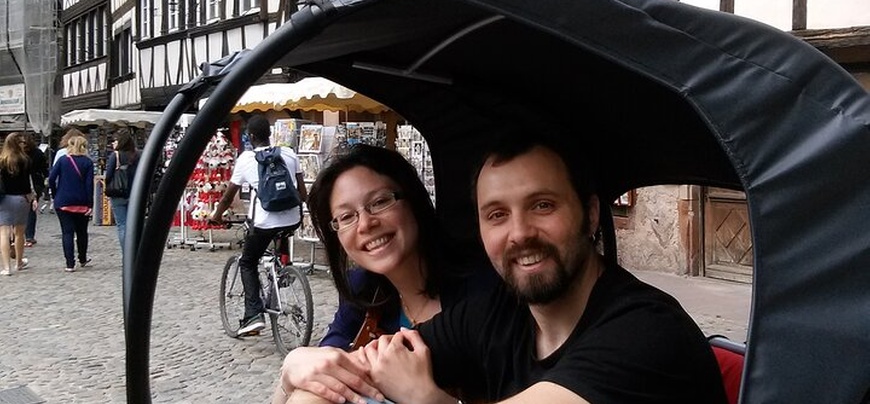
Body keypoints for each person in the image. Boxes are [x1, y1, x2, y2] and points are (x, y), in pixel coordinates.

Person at [353, 133, 728, 404]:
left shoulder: (646, 332)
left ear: (591, 214)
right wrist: (318, 367)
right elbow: (362, 368)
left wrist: (425, 399)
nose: (519, 234)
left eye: (542, 205)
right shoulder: (499, 312)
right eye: (497, 215)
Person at [271, 143, 495, 404]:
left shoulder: (484, 289)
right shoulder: (364, 291)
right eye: (346, 217)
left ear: (413, 201)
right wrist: (290, 371)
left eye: (379, 202)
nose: (366, 224)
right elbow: (325, 369)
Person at [210, 115, 308, 337]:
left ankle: (254, 315)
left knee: (248, 262)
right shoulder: (289, 154)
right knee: (281, 232)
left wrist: (216, 216)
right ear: (270, 134)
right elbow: (302, 193)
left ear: (250, 136)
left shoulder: (246, 159)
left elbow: (227, 198)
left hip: (264, 223)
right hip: (292, 218)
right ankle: (284, 267)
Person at [49, 135, 95, 272]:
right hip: (81, 201)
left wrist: (55, 193)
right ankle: (82, 258)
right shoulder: (88, 162)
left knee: (67, 233)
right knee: (82, 232)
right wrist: (90, 204)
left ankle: (70, 263)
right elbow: (89, 185)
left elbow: (51, 178)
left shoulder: (63, 160)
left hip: (63, 200)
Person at [0, 132, 37, 275]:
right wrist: (32, 197)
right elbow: (27, 182)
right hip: (21, 198)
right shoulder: (25, 160)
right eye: (22, 142)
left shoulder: (2, 160)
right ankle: (19, 262)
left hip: (4, 199)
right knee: (19, 233)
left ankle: (6, 267)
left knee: (4, 233)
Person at [105, 129, 139, 257]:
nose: (113, 143)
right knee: (133, 224)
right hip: (135, 193)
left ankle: (127, 254)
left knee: (122, 224)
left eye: (115, 140)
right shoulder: (137, 155)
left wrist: (108, 185)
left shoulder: (116, 156)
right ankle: (135, 251)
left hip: (118, 193)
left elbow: (108, 175)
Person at [23, 132, 48, 247]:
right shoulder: (38, 153)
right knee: (31, 210)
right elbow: (44, 168)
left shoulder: (17, 153)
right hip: (35, 183)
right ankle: (29, 235)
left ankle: (15, 235)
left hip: (19, 184)